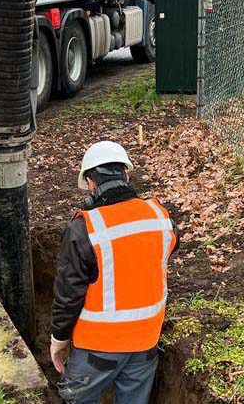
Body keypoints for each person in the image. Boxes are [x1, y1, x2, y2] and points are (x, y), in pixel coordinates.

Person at [50, 141, 180, 404]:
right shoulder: (160, 217)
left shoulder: (84, 228)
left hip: (97, 350)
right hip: (145, 342)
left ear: (90, 183)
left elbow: (68, 295)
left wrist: (59, 340)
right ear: (126, 175)